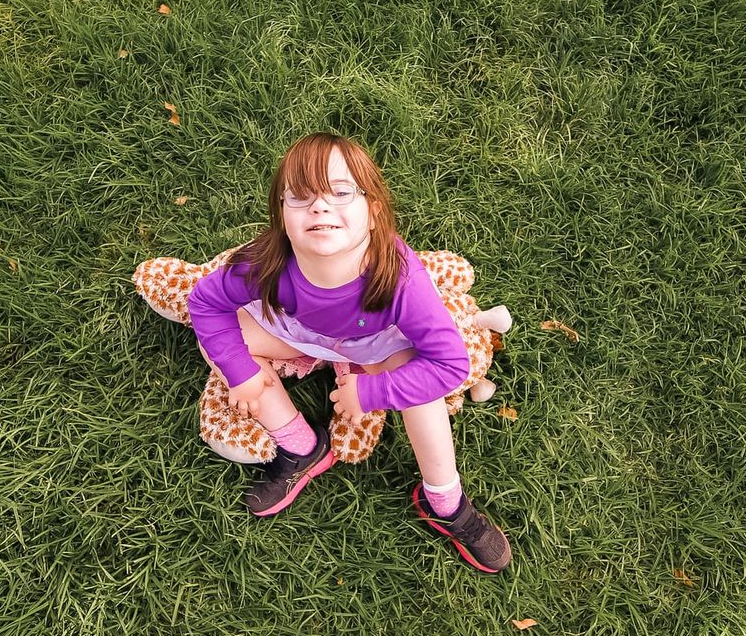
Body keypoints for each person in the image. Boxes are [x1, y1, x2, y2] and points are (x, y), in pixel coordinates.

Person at [187, 132, 512, 573]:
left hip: (377, 344)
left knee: (423, 390)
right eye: (300, 197)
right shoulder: (264, 262)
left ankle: (445, 500)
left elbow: (450, 363)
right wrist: (240, 371)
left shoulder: (399, 278)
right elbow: (206, 303)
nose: (319, 206)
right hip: (297, 331)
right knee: (224, 345)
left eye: (340, 192)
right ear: (281, 215)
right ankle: (301, 445)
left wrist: (373, 393)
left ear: (374, 212)